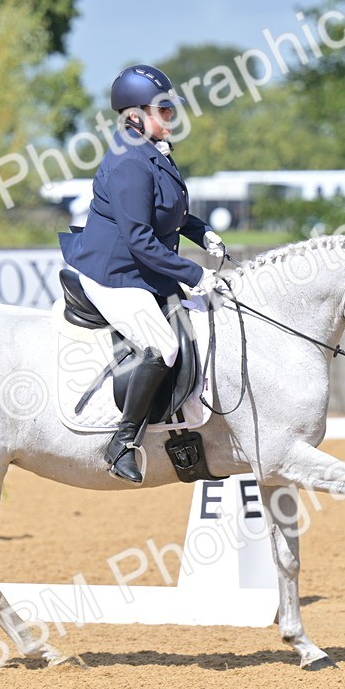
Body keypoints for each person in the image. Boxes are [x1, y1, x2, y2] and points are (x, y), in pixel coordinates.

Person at [58, 64, 225, 484]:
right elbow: (140, 239)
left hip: (143, 268)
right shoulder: (129, 161)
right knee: (163, 345)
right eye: (164, 110)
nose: (171, 117)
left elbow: (172, 213)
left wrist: (203, 233)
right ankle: (123, 442)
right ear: (134, 115)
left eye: (171, 110)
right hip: (115, 273)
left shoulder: (150, 151)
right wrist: (193, 273)